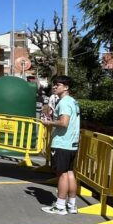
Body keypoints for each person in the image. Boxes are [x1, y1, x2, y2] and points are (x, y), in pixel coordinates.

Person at [40, 75, 81, 215]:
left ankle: (60, 206)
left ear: (66, 87)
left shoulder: (64, 102)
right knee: (69, 173)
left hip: (62, 143)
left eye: (57, 84)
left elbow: (64, 123)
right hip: (71, 143)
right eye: (54, 84)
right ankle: (72, 204)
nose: (54, 87)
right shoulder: (73, 101)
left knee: (62, 174)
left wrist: (49, 122)